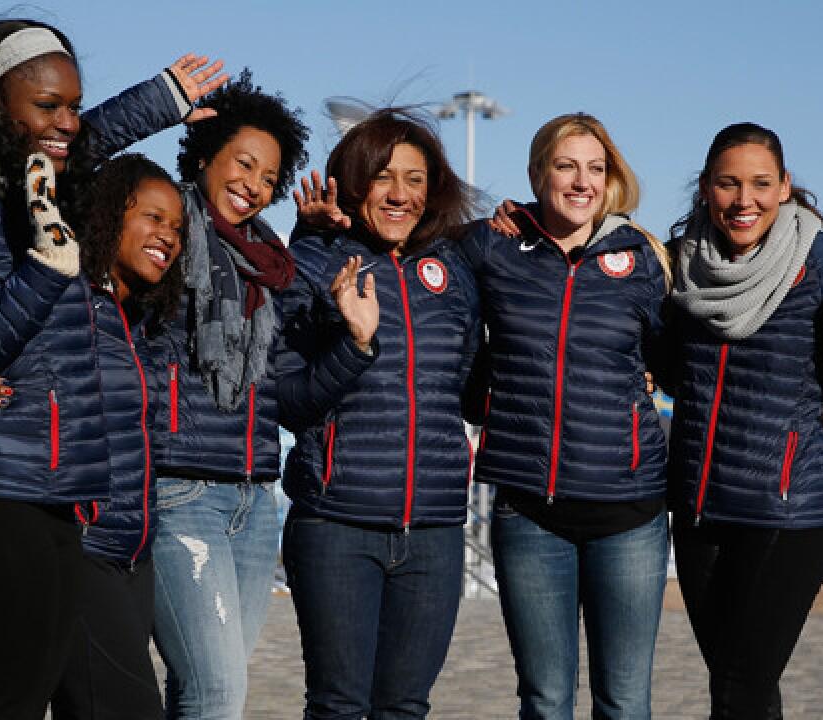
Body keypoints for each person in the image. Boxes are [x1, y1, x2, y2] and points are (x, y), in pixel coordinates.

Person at [0, 17, 222, 717]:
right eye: (48, 105)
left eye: (74, 104)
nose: (68, 122)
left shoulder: (23, 181)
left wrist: (160, 98)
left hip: (44, 493)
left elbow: (84, 138)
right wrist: (46, 271)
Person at [662, 121, 823, 719]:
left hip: (786, 510)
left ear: (784, 188)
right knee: (740, 686)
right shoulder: (684, 264)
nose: (743, 200)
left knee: (738, 687)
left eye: (759, 184)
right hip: (700, 510)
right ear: (705, 188)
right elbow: (679, 373)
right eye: (728, 184)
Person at [277, 108, 482, 719]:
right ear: (354, 181)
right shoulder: (313, 267)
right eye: (384, 177)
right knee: (339, 706)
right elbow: (287, 402)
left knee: (405, 708)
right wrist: (355, 346)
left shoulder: (455, 275)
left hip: (435, 531)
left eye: (415, 179)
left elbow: (468, 386)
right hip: (335, 527)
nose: (400, 194)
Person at [470, 113, 673, 719]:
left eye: (595, 168)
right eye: (566, 166)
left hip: (630, 517)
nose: (582, 182)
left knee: (624, 701)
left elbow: (684, 360)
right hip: (531, 514)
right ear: (539, 174)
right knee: (545, 699)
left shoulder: (642, 259)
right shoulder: (492, 248)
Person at [147, 70, 309, 720]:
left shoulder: (270, 261)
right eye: (243, 164)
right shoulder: (164, 226)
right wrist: (153, 107)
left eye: (269, 177)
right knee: (217, 692)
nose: (255, 185)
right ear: (205, 154)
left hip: (253, 500)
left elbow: (290, 381)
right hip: (178, 492)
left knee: (206, 690)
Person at [43, 154, 184, 718]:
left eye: (176, 227)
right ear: (108, 217)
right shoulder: (68, 299)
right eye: (153, 218)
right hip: (83, 549)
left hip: (134, 553)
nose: (167, 236)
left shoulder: (138, 320)